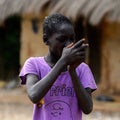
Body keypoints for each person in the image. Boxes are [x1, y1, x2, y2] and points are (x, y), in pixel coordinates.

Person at [19, 13, 97, 120]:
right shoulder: (34, 64)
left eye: (72, 39)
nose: (68, 44)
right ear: (46, 40)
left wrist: (72, 71)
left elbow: (87, 108)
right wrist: (63, 62)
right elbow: (34, 95)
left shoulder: (82, 69)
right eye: (62, 39)